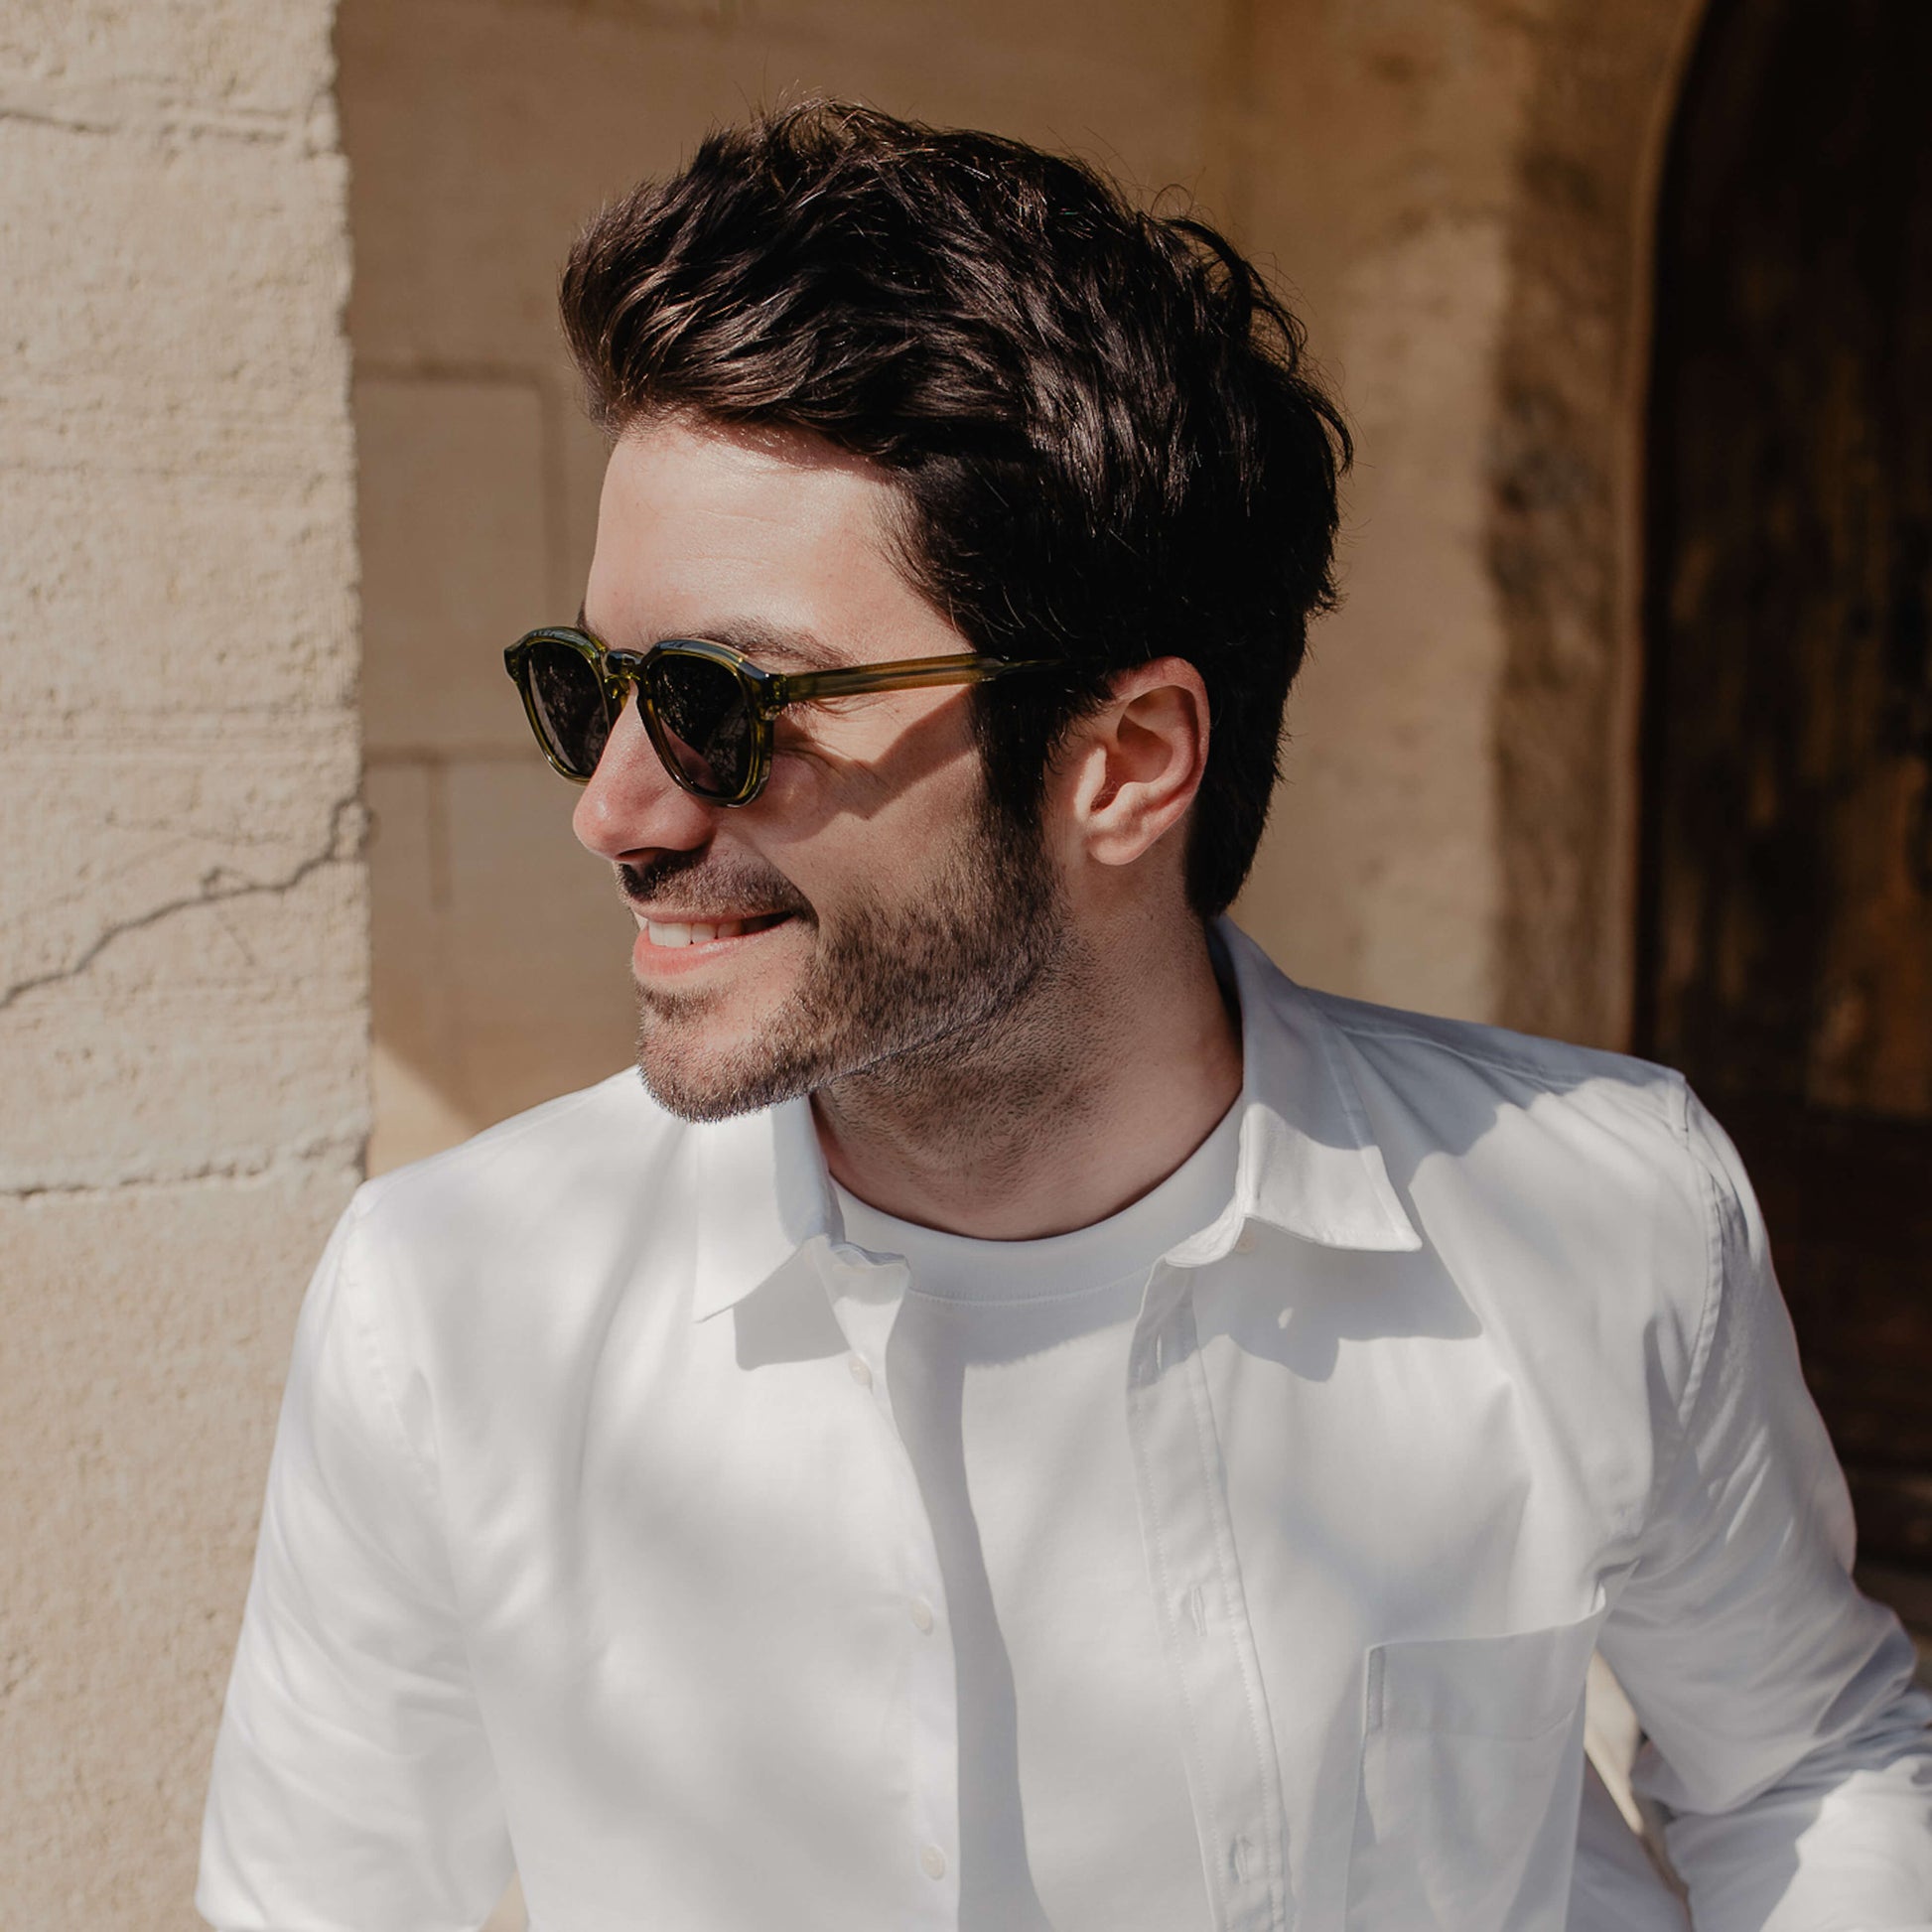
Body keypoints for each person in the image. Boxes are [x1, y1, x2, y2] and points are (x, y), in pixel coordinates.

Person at [198, 101, 1932, 1932]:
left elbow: (1803, 1765)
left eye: (725, 704)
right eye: (594, 686)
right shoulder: (450, 1306)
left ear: (1124, 760)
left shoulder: (1597, 1216)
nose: (616, 808)